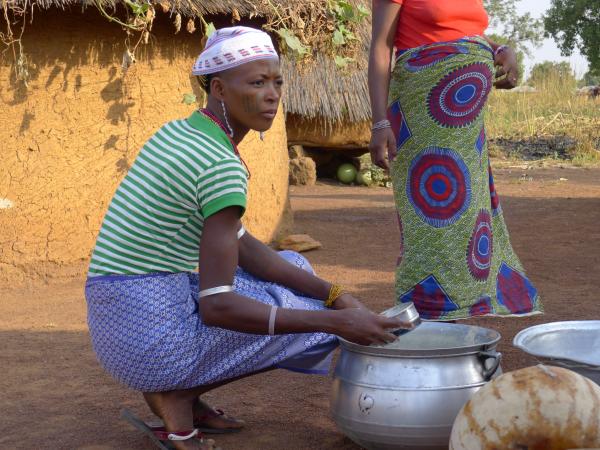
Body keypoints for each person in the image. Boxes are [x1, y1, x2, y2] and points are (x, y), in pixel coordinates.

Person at [85, 26, 405, 450]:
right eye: (256, 82)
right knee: (306, 319)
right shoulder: (219, 165)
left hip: (119, 323)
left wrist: (336, 294)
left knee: (294, 269)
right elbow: (218, 307)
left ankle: (186, 393)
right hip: (152, 344)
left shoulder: (182, 134)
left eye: (276, 82)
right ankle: (177, 394)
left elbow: (245, 248)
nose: (272, 94)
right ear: (219, 88)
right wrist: (336, 320)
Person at [368, 0, 542, 320]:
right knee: (433, 215)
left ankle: (461, 310)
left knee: (468, 214)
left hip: (464, 126)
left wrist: (499, 49)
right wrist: (380, 122)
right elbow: (381, 46)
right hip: (423, 111)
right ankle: (428, 313)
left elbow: (462, 30)